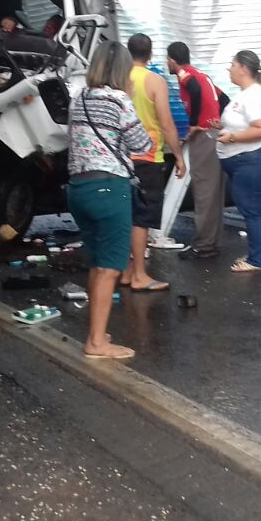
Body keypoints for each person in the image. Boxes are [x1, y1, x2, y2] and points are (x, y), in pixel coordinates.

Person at [65, 41, 154, 360]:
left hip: (78, 188)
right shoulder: (119, 101)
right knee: (109, 268)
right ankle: (96, 343)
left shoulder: (79, 98)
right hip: (108, 188)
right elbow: (141, 143)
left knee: (96, 263)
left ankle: (97, 332)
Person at [123, 33, 186, 291]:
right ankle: (139, 274)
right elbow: (166, 123)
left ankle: (127, 272)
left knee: (126, 216)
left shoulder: (119, 79)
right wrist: (179, 157)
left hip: (120, 157)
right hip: (148, 156)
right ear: (150, 56)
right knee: (142, 218)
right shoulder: (154, 81)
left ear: (129, 53)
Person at [215, 50, 261, 272]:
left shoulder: (255, 95)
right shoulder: (246, 94)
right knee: (253, 209)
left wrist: (232, 137)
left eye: (232, 64)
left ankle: (257, 260)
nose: (229, 68)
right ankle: (259, 254)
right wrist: (223, 127)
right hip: (246, 160)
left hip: (255, 161)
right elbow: (245, 123)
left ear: (244, 68)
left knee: (252, 210)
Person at [168, 42, 229, 260]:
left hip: (203, 137)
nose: (167, 63)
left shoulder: (185, 75)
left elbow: (192, 88)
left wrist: (194, 124)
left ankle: (203, 245)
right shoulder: (204, 76)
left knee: (204, 191)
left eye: (168, 60)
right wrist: (221, 122)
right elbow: (224, 100)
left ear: (173, 60)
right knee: (214, 192)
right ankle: (210, 243)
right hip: (213, 136)